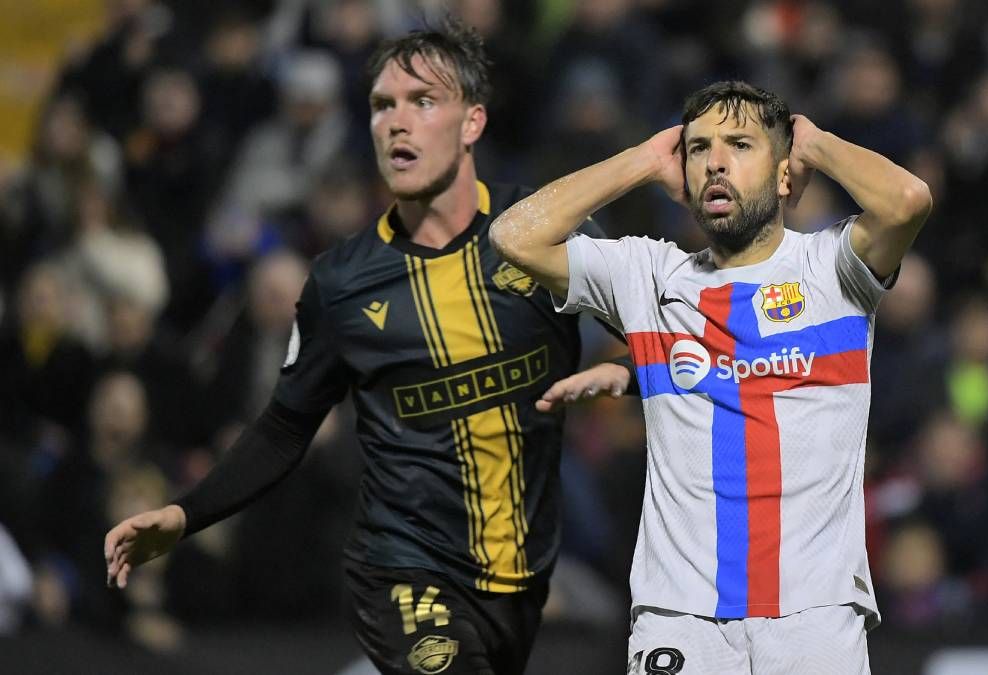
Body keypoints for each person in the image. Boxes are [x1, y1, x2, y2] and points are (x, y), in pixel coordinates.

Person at [104, 20, 632, 675]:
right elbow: (283, 426)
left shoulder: (543, 232)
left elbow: (663, 339)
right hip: (403, 567)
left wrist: (621, 375)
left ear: (472, 123)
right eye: (383, 104)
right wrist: (186, 513)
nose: (396, 122)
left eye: (423, 101)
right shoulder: (341, 282)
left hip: (516, 575)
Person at [491, 80, 931, 673]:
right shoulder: (647, 276)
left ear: (783, 174)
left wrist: (814, 141)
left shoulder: (833, 269)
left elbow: (907, 199)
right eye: (698, 148)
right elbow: (513, 235)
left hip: (813, 615)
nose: (715, 161)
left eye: (741, 144)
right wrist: (643, 159)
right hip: (680, 616)